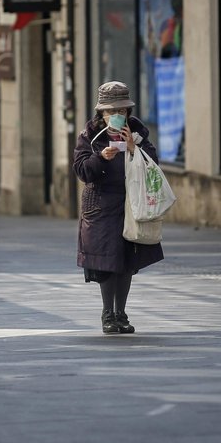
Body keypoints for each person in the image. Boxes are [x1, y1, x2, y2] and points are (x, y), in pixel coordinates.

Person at [73, 81, 164, 334]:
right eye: (111, 112)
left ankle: (121, 313)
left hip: (131, 203)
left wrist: (134, 149)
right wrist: (100, 157)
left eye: (121, 111)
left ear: (128, 112)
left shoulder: (137, 132)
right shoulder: (90, 135)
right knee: (106, 260)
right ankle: (107, 313)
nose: (116, 116)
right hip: (100, 206)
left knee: (126, 260)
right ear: (101, 114)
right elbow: (81, 170)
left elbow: (154, 164)